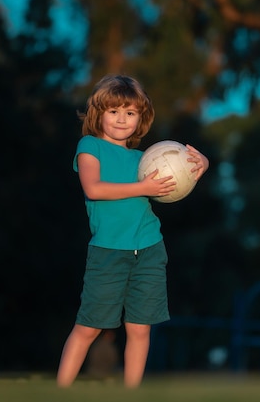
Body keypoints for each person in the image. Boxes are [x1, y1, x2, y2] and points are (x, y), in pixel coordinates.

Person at [56, 74, 209, 388]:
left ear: (141, 118)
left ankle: (131, 393)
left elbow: (176, 180)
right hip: (108, 251)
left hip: (150, 248)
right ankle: (60, 390)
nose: (121, 119)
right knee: (89, 327)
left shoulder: (147, 159)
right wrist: (143, 186)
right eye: (114, 111)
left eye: (130, 112)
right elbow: (94, 189)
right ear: (99, 114)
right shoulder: (89, 146)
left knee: (140, 329)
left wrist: (200, 165)